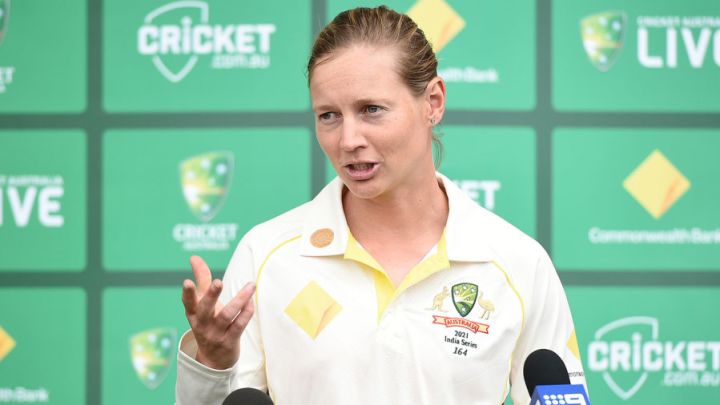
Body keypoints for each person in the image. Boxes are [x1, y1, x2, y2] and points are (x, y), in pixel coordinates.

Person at [176, 6, 585, 404]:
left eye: (371, 110)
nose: (348, 139)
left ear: (433, 102)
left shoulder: (518, 263)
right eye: (329, 115)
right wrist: (212, 365)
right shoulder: (266, 255)